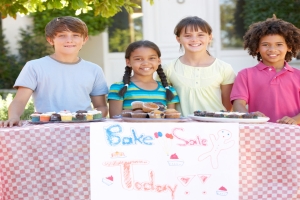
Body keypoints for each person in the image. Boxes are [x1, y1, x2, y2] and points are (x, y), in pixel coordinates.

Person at [0, 16, 108, 127]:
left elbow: (101, 106)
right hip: (47, 129)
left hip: (84, 129)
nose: (69, 40)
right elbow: (20, 101)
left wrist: (92, 120)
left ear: (84, 39)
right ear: (50, 39)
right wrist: (14, 117)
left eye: (75, 35)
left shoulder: (94, 70)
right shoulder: (34, 67)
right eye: (62, 35)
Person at [159, 16, 236, 116]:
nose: (194, 40)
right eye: (187, 36)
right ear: (178, 39)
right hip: (182, 127)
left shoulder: (224, 68)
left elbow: (228, 106)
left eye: (200, 35)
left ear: (210, 37)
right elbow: (164, 102)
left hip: (215, 126)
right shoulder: (168, 68)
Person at [230, 15, 300, 124]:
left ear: (289, 47)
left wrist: (295, 120)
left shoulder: (298, 76)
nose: (272, 49)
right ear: (256, 48)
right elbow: (238, 104)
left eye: (279, 44)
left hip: (294, 134)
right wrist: (249, 116)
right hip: (258, 133)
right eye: (265, 44)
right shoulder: (245, 75)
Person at [108, 40, 180, 117]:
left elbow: (171, 118)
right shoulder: (118, 88)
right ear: (128, 62)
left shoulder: (169, 90)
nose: (145, 63)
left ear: (159, 61)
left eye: (151, 58)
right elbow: (115, 118)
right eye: (138, 59)